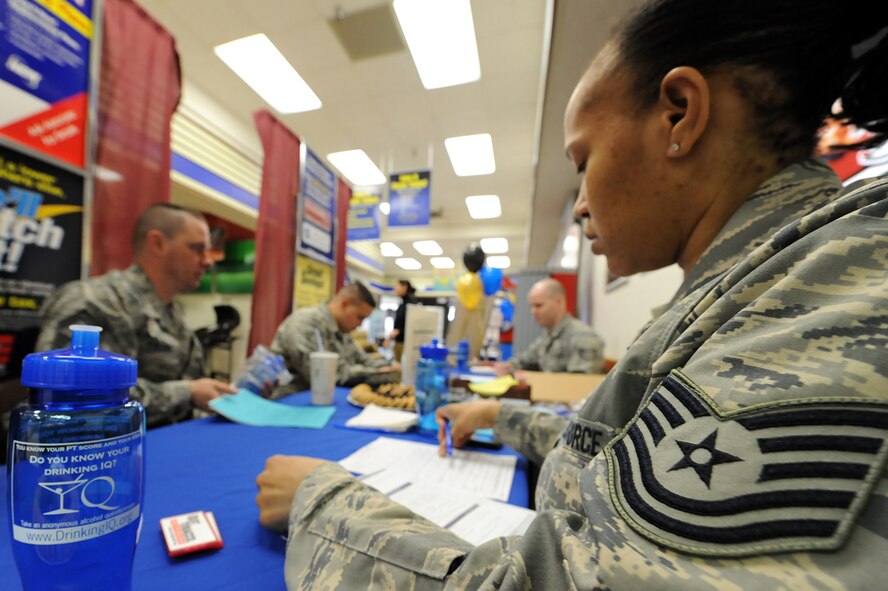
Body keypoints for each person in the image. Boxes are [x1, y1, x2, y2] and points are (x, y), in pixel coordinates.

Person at [255, 1, 888, 587]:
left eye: (583, 160)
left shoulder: (840, 281)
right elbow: (623, 449)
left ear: (679, 114)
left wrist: (326, 505)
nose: (581, 206)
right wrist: (503, 416)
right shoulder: (756, 283)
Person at [36, 204, 236, 428]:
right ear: (157, 243)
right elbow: (74, 392)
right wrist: (187, 393)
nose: (207, 261)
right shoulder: (93, 300)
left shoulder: (173, 310)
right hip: (99, 454)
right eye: (197, 248)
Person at [269, 282, 400, 395]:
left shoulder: (342, 329)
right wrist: (381, 373)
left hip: (322, 396)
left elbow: (360, 358)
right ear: (344, 304)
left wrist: (390, 365)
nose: (360, 324)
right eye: (360, 317)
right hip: (291, 399)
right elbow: (324, 376)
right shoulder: (304, 324)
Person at [493, 277, 604, 375]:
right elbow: (526, 359)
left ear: (559, 302)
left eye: (538, 305)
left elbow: (580, 385)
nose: (533, 312)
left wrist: (532, 378)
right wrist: (509, 366)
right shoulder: (549, 335)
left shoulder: (583, 336)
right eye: (531, 306)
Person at [384, 279, 418, 362]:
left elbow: (411, 324)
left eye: (397, 286)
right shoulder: (403, 303)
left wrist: (398, 332)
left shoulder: (411, 303)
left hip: (405, 343)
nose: (395, 288)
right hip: (399, 341)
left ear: (404, 287)